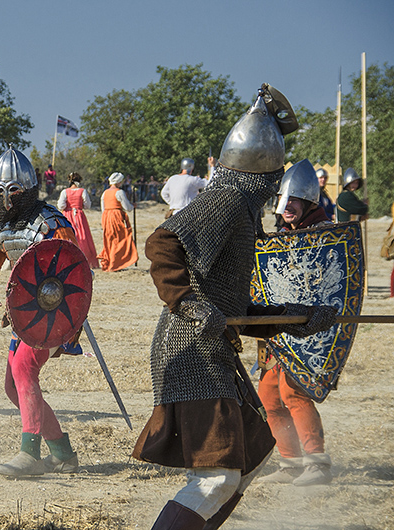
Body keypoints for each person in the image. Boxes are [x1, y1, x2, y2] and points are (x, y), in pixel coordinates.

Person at [133, 85, 337, 529]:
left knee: (252, 456)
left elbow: (235, 306)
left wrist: (299, 318)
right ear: (264, 174)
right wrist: (189, 303)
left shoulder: (241, 211)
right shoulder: (225, 200)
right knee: (217, 478)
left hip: (214, 350)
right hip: (192, 350)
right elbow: (161, 243)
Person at [0, 146, 80, 477]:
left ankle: (30, 454)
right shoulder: (1, 225)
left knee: (23, 369)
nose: (8, 200)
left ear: (30, 189)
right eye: (1, 191)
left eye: (15, 191)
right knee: (12, 386)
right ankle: (62, 454)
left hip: (54, 314)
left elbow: (75, 273)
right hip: (23, 317)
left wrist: (70, 324)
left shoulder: (52, 224)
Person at [255, 160, 334, 487]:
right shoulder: (283, 236)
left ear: (309, 203)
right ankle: (290, 462)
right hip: (278, 330)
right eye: (283, 201)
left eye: (294, 201)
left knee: (293, 391)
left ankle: (317, 463)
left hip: (307, 330)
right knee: (268, 396)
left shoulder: (325, 234)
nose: (287, 207)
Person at [97, 172, 138, 271]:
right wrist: (132, 206)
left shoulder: (105, 193)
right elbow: (127, 207)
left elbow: (103, 208)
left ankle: (112, 261)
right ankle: (115, 263)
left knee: (109, 239)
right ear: (118, 182)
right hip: (116, 216)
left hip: (106, 216)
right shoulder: (119, 192)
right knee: (118, 239)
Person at [57, 172, 98, 269]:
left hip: (67, 216)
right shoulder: (82, 191)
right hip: (78, 216)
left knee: (69, 235)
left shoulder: (65, 192)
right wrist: (79, 205)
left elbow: (61, 205)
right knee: (82, 235)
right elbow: (87, 205)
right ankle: (85, 259)